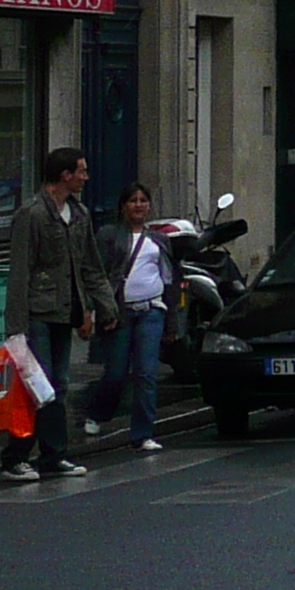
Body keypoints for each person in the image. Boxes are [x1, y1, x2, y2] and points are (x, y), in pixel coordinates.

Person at [2, 147, 117, 480]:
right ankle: (15, 456)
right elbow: (20, 271)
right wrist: (16, 327)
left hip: (64, 312)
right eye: (81, 171)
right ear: (65, 175)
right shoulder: (33, 214)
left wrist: (104, 306)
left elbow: (90, 266)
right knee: (37, 386)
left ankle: (53, 455)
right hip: (37, 312)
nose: (86, 177)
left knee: (59, 385)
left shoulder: (79, 214)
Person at [84, 184, 171, 452]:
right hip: (120, 312)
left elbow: (169, 278)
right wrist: (97, 310)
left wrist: (172, 321)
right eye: (133, 200)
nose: (138, 205)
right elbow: (95, 273)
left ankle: (143, 433)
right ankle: (97, 413)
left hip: (152, 311)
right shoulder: (109, 235)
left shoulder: (159, 240)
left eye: (143, 200)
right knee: (116, 373)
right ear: (123, 206)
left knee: (146, 373)